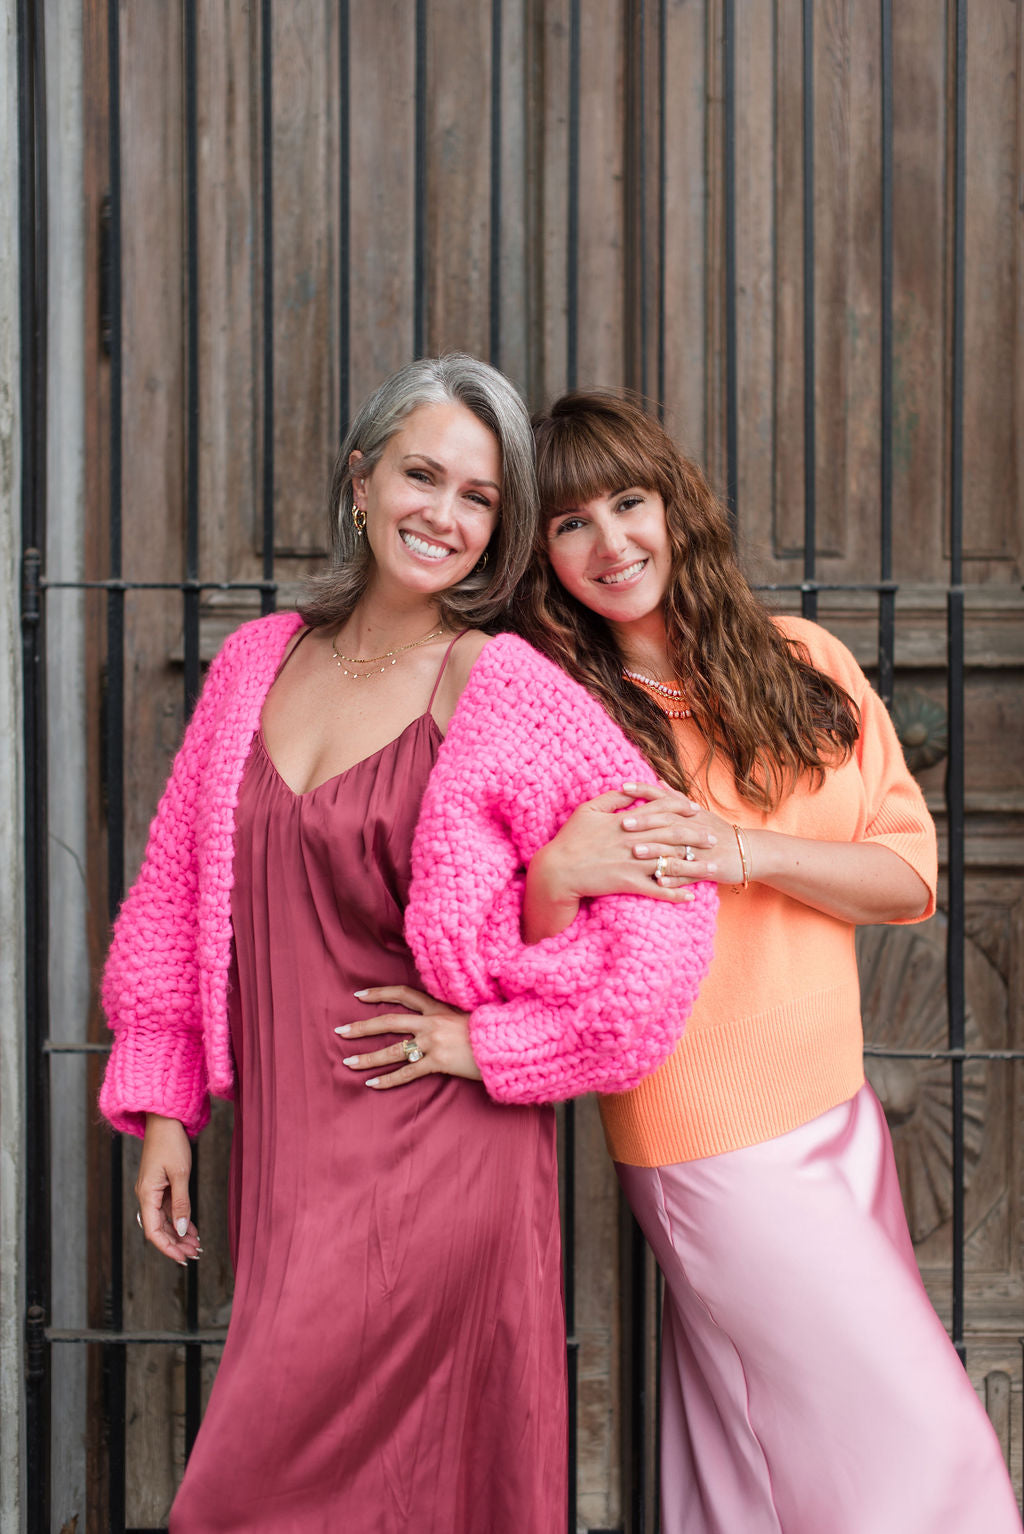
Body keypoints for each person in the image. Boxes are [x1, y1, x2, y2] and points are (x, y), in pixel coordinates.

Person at [383, 390, 1021, 1533]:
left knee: (742, 1457)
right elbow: (510, 939)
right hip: (704, 1134)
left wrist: (743, 851)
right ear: (541, 556)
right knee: (931, 1451)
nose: (611, 542)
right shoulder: (553, 708)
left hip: (836, 1108)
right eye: (571, 523)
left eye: (628, 502)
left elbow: (907, 877)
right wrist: (557, 876)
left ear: (673, 505)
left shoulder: (802, 662)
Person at [98, 358, 716, 1534]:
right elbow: (174, 895)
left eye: (477, 497)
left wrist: (499, 1044)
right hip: (290, 1160)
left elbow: (669, 906)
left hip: (445, 1160)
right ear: (361, 480)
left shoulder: (499, 682)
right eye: (421, 475)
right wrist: (165, 1106)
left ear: (500, 527)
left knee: (258, 1493)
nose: (442, 513)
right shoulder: (254, 663)